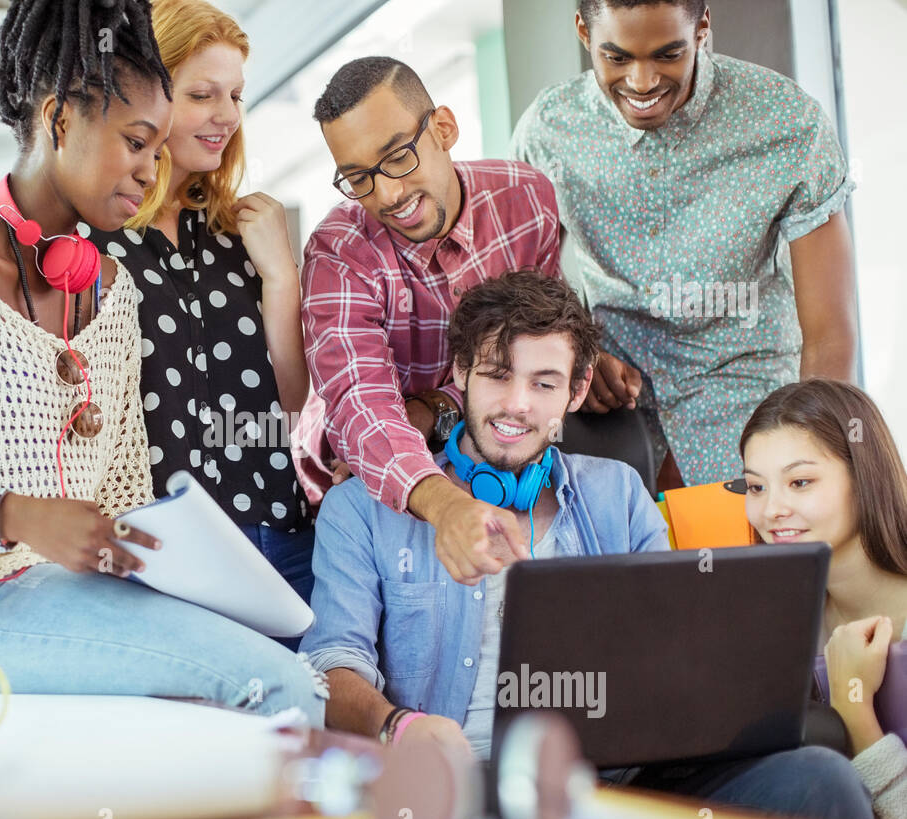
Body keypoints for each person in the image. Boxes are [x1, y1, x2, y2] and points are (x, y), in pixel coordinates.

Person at [0, 0, 326, 723]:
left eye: (159, 147)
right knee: (279, 686)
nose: (150, 168)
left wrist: (159, 558)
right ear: (61, 120)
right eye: (135, 142)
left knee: (280, 661)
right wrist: (15, 516)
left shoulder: (112, 290)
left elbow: (128, 485)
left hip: (73, 596)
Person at [300, 269, 874, 819]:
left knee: (821, 780)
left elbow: (678, 644)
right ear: (461, 371)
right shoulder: (361, 509)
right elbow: (332, 667)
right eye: (497, 375)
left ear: (577, 390)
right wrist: (396, 726)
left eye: (544, 383)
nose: (516, 405)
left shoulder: (619, 493)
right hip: (452, 792)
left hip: (615, 787)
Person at [511, 0, 857, 490]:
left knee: (748, 563)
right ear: (584, 34)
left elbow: (829, 334)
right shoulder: (548, 130)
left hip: (745, 391)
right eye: (617, 58)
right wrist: (576, 351)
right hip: (609, 403)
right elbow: (528, 283)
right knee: (607, 563)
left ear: (702, 29)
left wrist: (807, 455)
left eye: (667, 54)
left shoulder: (786, 122)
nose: (643, 81)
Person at [80, 0, 313, 647]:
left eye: (235, 95)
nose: (227, 116)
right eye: (203, 94)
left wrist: (281, 279)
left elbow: (295, 408)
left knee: (299, 735)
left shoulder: (244, 230)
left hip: (279, 538)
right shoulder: (93, 238)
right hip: (162, 554)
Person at [297, 55, 562, 587]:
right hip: (363, 484)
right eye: (358, 178)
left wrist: (437, 405)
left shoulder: (527, 199)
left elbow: (538, 348)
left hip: (497, 464)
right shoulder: (337, 254)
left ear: (443, 128)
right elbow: (361, 405)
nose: (388, 195)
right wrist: (446, 506)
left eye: (397, 157)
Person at [741, 379, 907, 819]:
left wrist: (854, 708)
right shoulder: (776, 623)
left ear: (864, 476)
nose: (771, 510)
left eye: (800, 482)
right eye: (755, 487)